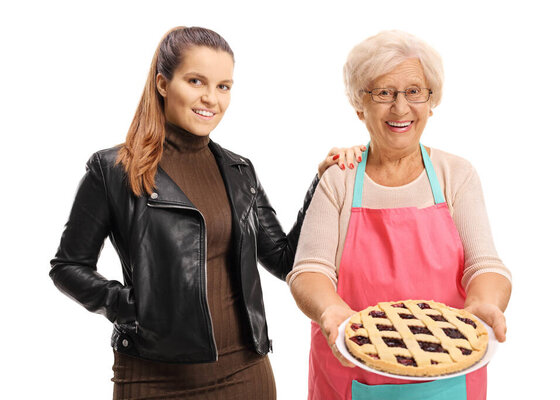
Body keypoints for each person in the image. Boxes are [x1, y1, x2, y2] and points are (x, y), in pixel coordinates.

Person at [49, 26, 363, 399]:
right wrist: (130, 306)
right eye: (196, 81)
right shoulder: (113, 169)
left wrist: (320, 183)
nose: (211, 99)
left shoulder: (238, 170)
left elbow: (284, 259)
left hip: (246, 372)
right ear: (163, 84)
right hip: (152, 377)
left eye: (223, 86)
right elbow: (68, 267)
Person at [288, 30, 512, 399]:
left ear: (431, 100)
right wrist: (330, 310)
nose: (401, 107)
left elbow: (484, 264)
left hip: (448, 378)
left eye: (414, 91)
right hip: (351, 375)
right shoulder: (339, 180)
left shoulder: (456, 175)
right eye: (383, 93)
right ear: (359, 104)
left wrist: (484, 302)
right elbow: (310, 270)